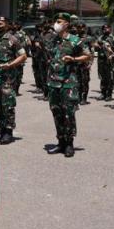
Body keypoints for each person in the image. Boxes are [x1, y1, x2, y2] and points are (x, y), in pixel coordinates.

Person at [45, 13, 91, 157]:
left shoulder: (75, 40)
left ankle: (69, 143)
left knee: (68, 114)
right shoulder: (52, 40)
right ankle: (60, 142)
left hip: (68, 83)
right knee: (56, 112)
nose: (56, 24)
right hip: (53, 82)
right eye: (55, 21)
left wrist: (74, 59)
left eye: (59, 21)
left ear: (66, 24)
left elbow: (87, 55)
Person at [0, 16, 28, 144]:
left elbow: (23, 56)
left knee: (8, 106)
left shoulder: (13, 39)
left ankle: (9, 132)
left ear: (7, 25)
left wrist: (10, 65)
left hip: (7, 79)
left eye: (0, 23)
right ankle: (2, 130)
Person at [94, 25, 114, 101]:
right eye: (104, 29)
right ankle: (103, 93)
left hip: (109, 60)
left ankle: (109, 94)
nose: (106, 30)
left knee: (109, 78)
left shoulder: (112, 38)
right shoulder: (100, 38)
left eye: (107, 28)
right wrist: (96, 45)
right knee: (102, 77)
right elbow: (96, 47)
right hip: (101, 60)